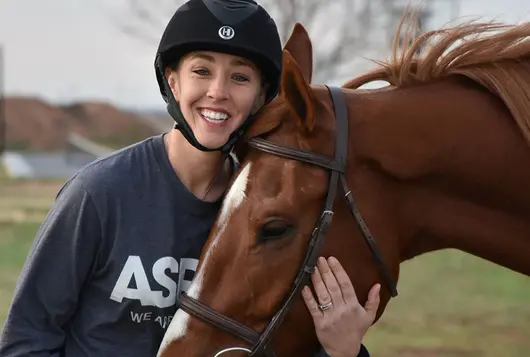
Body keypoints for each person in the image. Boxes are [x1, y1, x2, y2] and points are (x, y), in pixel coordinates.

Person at [0, 1, 381, 356]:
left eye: (240, 77)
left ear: (263, 95)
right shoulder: (98, 194)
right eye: (201, 71)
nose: (218, 92)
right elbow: (28, 336)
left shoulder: (269, 214)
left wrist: (345, 350)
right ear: (173, 81)